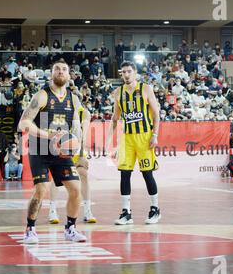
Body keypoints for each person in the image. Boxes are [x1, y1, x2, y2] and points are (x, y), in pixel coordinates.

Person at [18, 60, 86, 244]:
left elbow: (77, 127)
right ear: (51, 73)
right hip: (39, 149)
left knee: (75, 189)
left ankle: (70, 228)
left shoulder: (73, 98)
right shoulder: (42, 96)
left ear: (70, 74)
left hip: (62, 152)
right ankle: (30, 229)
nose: (61, 72)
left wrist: (79, 150)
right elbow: (23, 123)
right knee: (41, 190)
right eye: (57, 69)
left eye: (64, 69)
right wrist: (48, 135)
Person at [105, 60, 161, 225]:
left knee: (147, 173)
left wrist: (155, 134)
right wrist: (108, 141)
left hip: (144, 137)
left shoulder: (146, 89)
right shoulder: (118, 92)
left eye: (129, 71)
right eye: (123, 72)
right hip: (127, 138)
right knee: (124, 173)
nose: (126, 74)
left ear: (135, 72)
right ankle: (126, 212)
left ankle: (155, 209)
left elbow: (157, 115)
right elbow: (115, 119)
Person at [48, 101, 97, 224]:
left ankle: (87, 210)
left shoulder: (84, 113)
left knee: (83, 174)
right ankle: (52, 210)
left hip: (77, 148)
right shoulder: (60, 112)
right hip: (61, 147)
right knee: (56, 178)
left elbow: (83, 136)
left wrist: (81, 156)